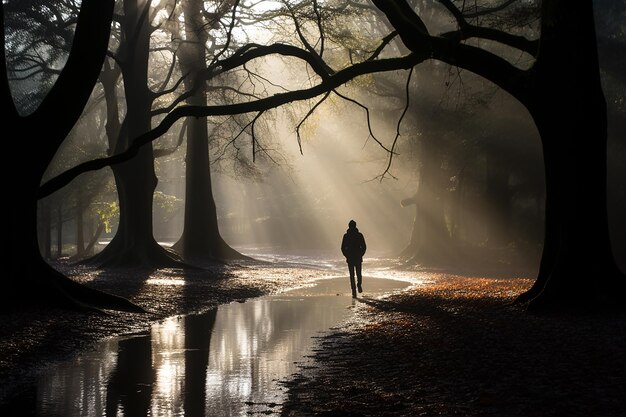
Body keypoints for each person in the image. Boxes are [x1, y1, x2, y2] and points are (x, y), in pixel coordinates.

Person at [341, 220, 366, 298]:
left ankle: (353, 291)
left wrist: (347, 255)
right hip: (357, 257)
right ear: (355, 226)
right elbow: (364, 247)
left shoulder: (346, 236)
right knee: (358, 273)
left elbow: (342, 248)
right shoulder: (359, 235)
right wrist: (361, 254)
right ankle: (359, 285)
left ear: (349, 226)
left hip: (350, 258)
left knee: (352, 275)